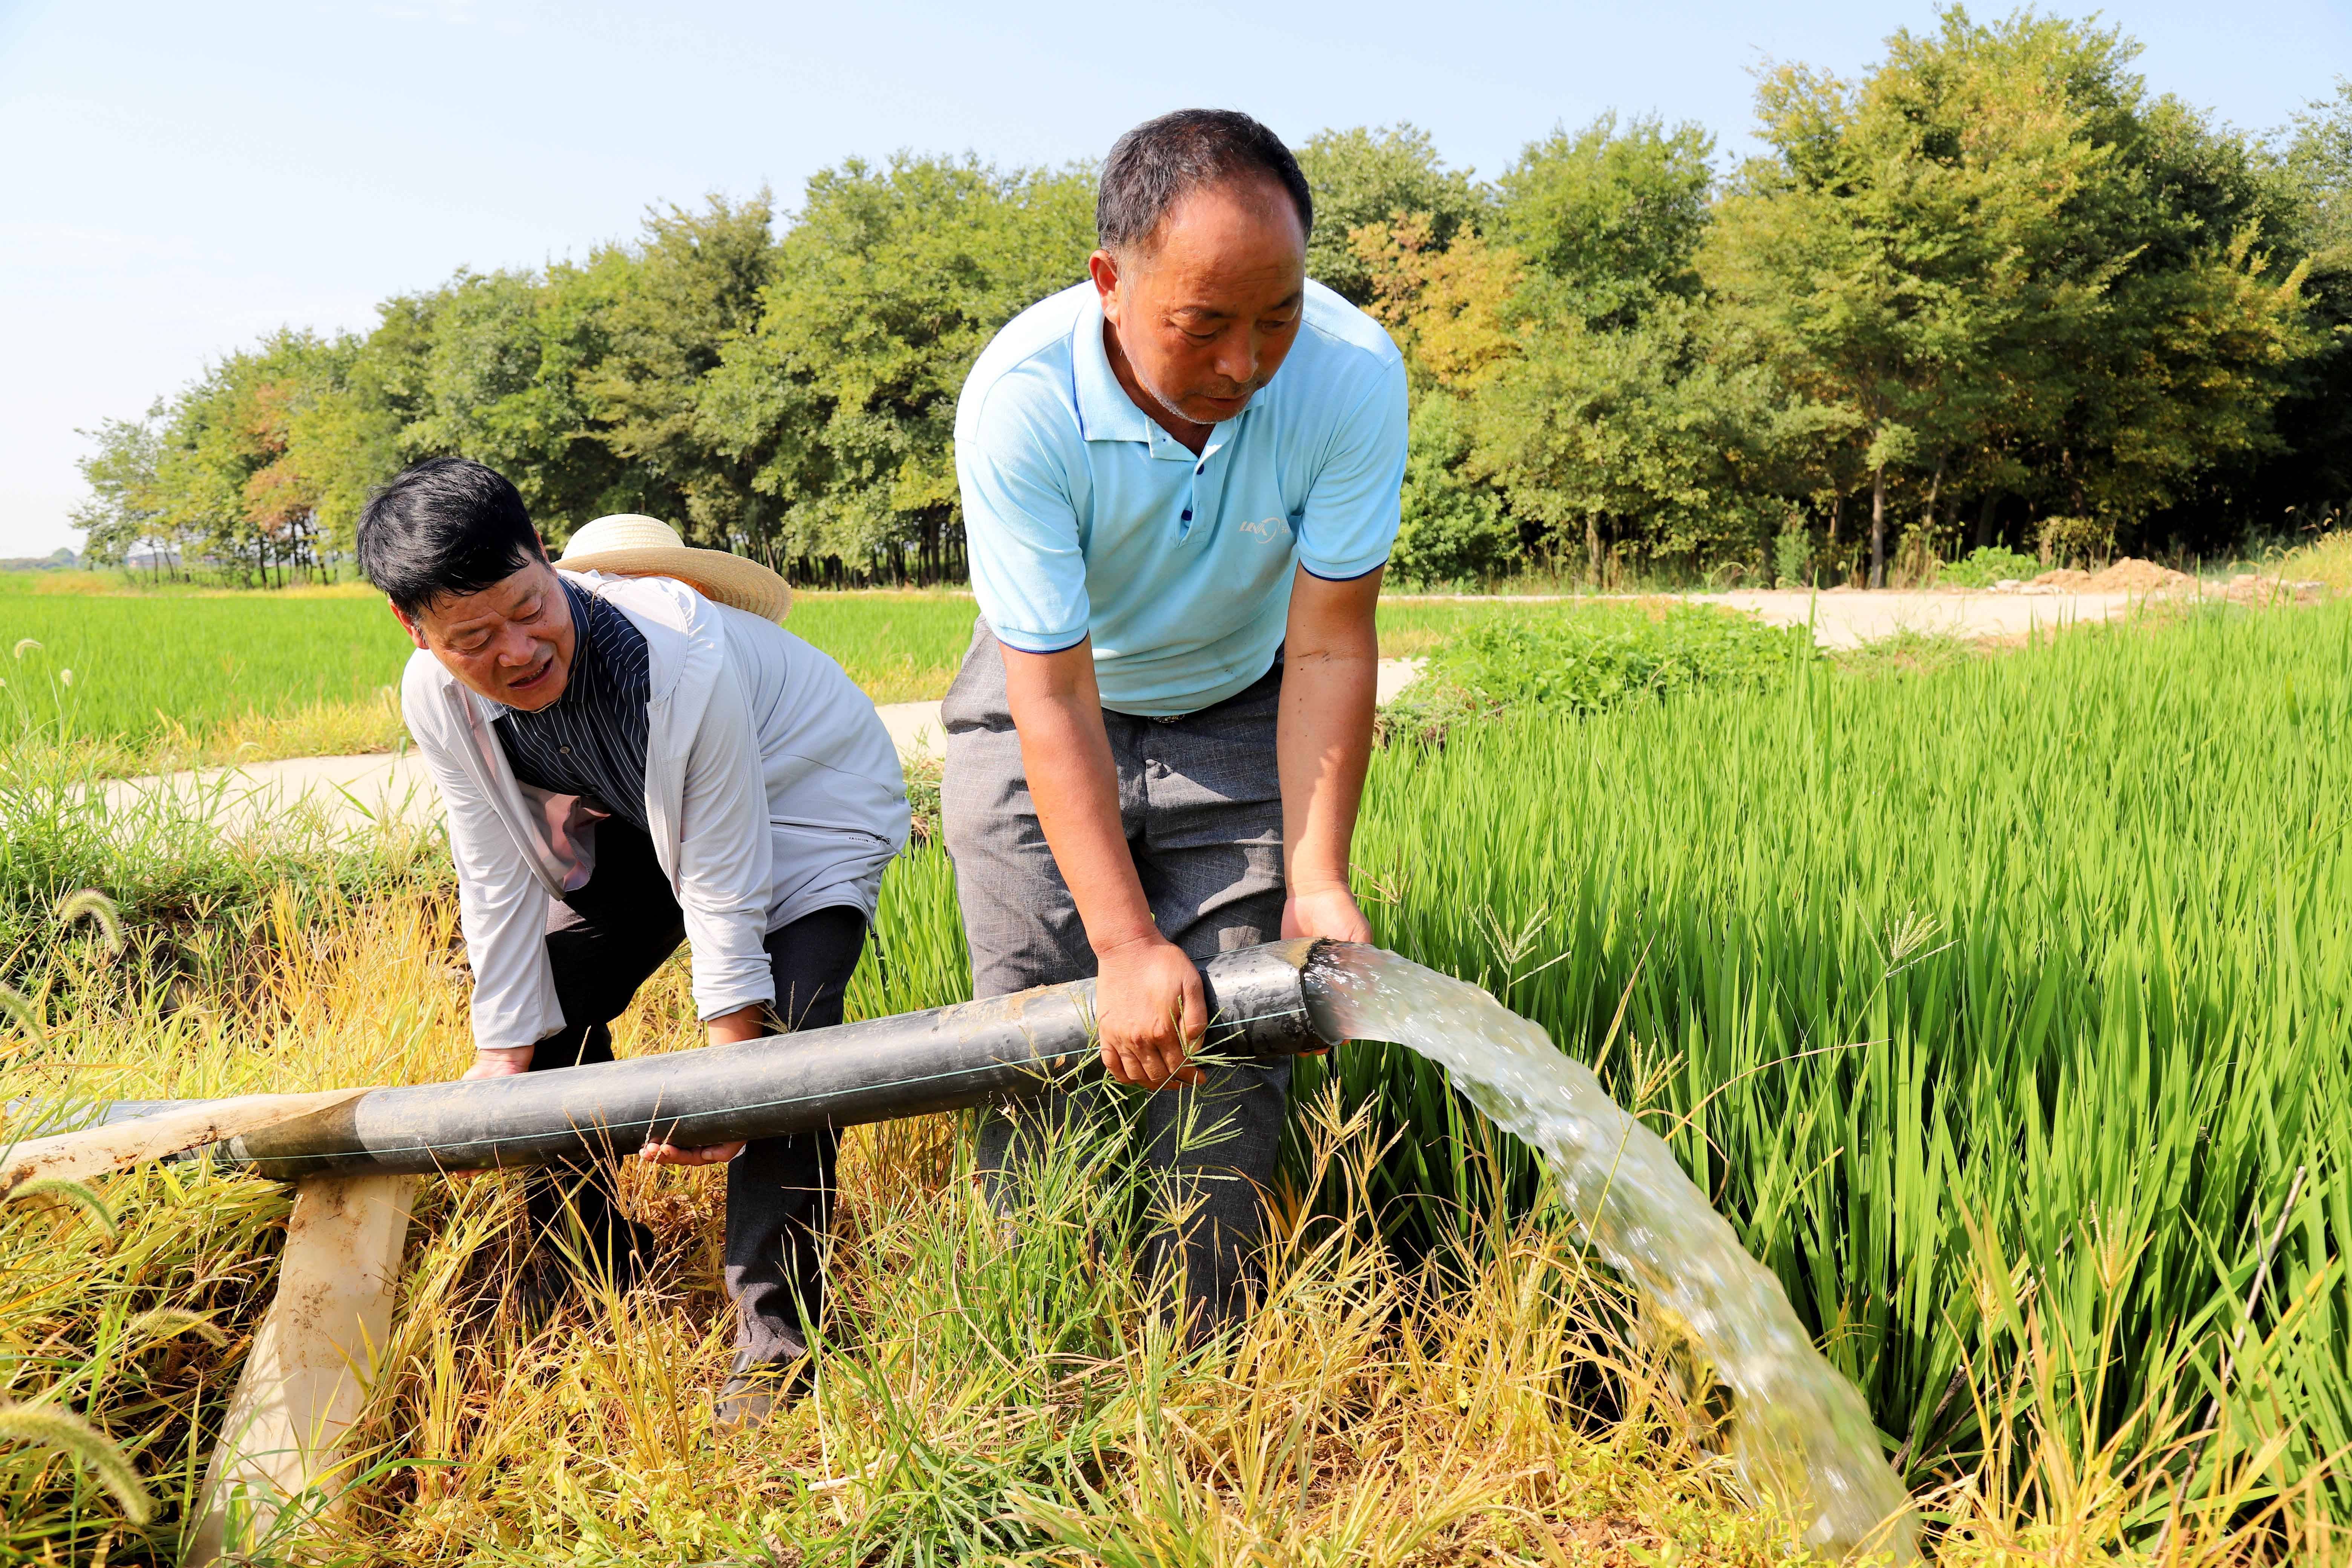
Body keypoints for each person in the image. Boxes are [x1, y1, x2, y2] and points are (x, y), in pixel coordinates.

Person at [943, 109, 1407, 1326]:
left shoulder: (1353, 376)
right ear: (1109, 281)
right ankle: (1030, 1331)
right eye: (1204, 324)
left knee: (1236, 1034)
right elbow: (1048, 689)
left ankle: (1202, 1350)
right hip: (1044, 697)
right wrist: (1121, 946)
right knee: (1035, 1029)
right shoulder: (1022, 401)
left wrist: (1318, 873)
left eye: (1279, 316)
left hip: (1238, 700)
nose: (1248, 364)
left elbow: (1328, 637)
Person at [358, 459, 908, 1425]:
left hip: (807, 801)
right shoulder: (434, 697)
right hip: (657, 824)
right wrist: (502, 1056)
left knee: (789, 1039)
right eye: (472, 639)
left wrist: (732, 1069)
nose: (517, 652)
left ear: (546, 560)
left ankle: (778, 1352)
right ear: (417, 632)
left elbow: (728, 879)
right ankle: (594, 1261)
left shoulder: (682, 657)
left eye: (530, 609)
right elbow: (491, 867)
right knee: (550, 1003)